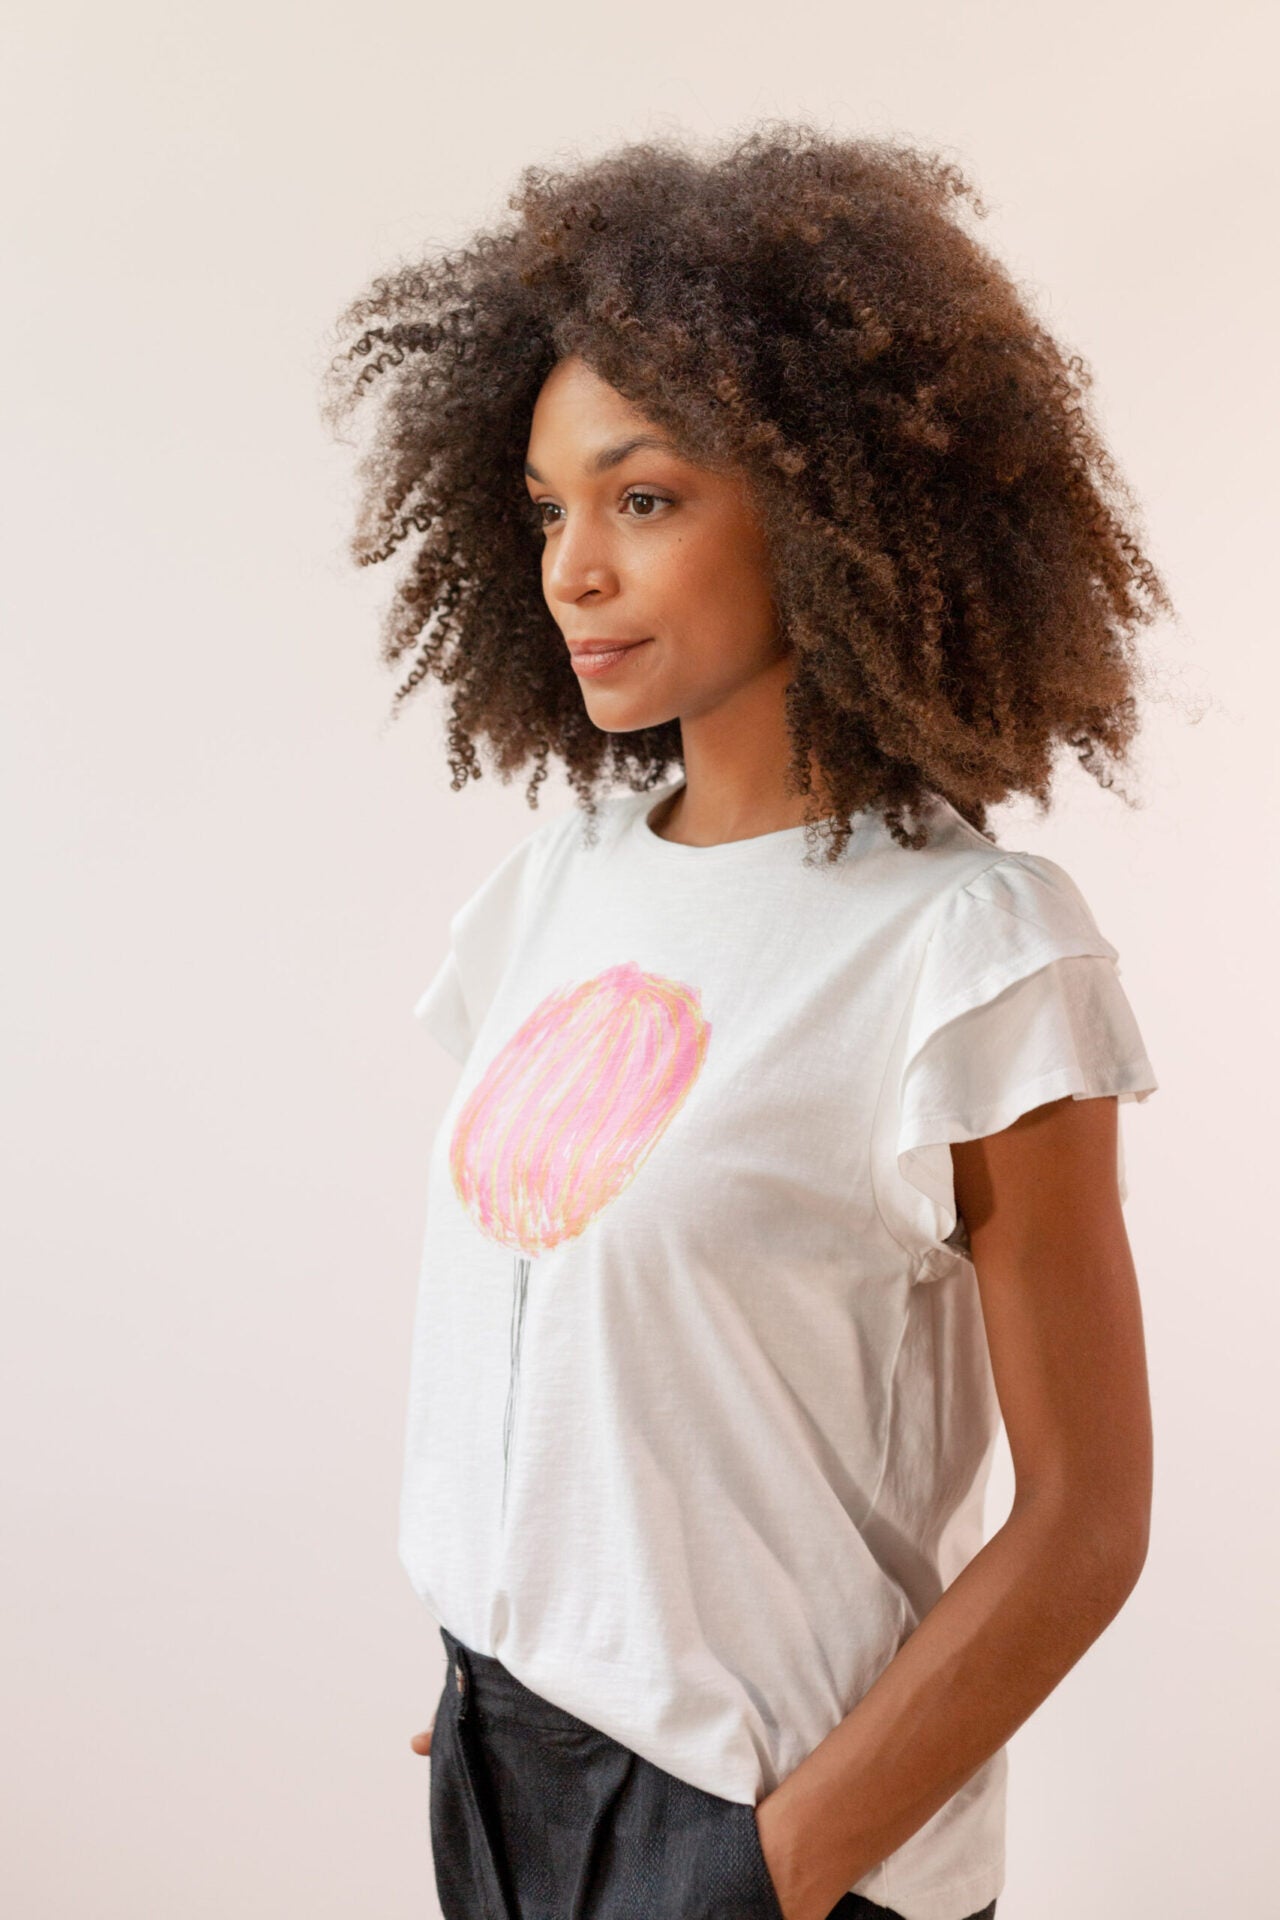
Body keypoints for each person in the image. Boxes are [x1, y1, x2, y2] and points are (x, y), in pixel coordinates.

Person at [322, 121, 1167, 1920]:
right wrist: (516, 1672)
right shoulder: (559, 886)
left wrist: (771, 1866)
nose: (572, 568)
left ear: (829, 506)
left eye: (641, 499)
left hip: (768, 1834)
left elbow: (1088, 1524)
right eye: (546, 508)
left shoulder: (972, 948)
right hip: (500, 1774)